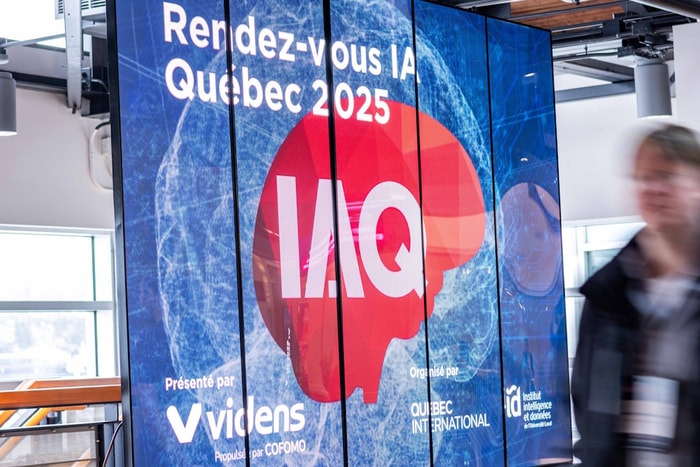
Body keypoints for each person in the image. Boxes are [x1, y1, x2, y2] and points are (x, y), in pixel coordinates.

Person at [571, 123, 700, 467]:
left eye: (667, 176)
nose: (653, 189)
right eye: (643, 179)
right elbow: (589, 409)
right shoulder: (606, 296)